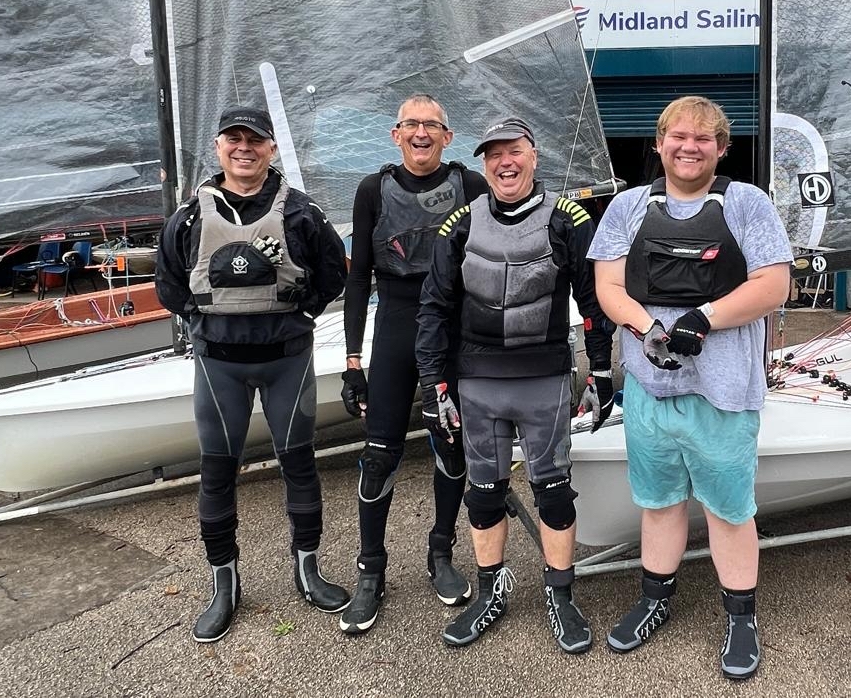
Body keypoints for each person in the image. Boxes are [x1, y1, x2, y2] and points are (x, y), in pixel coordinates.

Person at [587, 96, 793, 680]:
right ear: (658, 144)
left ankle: (741, 617)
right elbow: (608, 285)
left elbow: (773, 284)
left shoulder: (747, 204)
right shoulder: (628, 207)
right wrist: (647, 327)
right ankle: (655, 599)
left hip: (722, 394)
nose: (689, 146)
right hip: (649, 392)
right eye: (678, 136)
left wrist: (703, 318)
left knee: (729, 511)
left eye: (704, 138)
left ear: (721, 149)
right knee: (659, 504)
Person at [416, 117, 616, 653]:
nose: (505, 162)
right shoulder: (460, 223)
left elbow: (593, 301)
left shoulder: (569, 218)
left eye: (515, 151)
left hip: (542, 379)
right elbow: (434, 307)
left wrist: (600, 371)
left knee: (553, 492)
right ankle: (490, 592)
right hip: (477, 381)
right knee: (483, 495)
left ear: (533, 155)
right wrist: (433, 384)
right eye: (494, 154)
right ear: (484, 164)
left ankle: (561, 595)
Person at [155, 106, 351, 644]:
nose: (244, 148)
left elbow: (333, 273)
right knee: (217, 473)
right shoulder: (190, 216)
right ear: (219, 147)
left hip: (287, 359)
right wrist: (204, 321)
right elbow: (169, 283)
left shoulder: (302, 213)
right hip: (220, 365)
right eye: (234, 139)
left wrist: (302, 311)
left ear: (271, 148)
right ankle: (224, 584)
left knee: (300, 466)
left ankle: (308, 571)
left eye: (255, 140)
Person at [338, 94, 487, 634]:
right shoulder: (372, 190)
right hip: (396, 328)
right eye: (411, 124)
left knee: (450, 444)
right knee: (379, 456)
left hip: (451, 329)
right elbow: (358, 278)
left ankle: (441, 552)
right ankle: (370, 571)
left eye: (432, 125)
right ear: (396, 134)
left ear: (448, 137)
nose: (421, 133)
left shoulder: (471, 185)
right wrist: (353, 361)